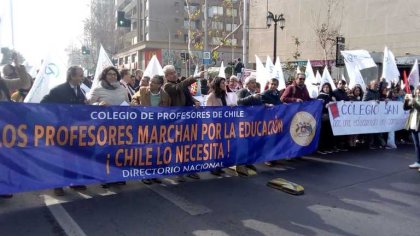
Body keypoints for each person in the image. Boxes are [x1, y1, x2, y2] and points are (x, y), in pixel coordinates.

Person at [41, 66, 88, 196]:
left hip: (76, 130)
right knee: (60, 158)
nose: (82, 77)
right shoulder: (58, 90)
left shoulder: (81, 90)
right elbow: (44, 103)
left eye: (82, 75)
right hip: (61, 129)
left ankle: (73, 182)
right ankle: (58, 185)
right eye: (80, 75)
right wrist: (57, 115)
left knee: (74, 157)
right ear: (72, 76)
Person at [88, 66, 129, 188]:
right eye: (110, 74)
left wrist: (129, 105)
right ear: (104, 76)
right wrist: (98, 104)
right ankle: (104, 176)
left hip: (120, 125)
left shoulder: (122, 89)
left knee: (118, 151)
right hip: (103, 126)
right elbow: (88, 105)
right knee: (104, 152)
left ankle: (118, 175)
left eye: (114, 74)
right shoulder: (97, 89)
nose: (113, 76)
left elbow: (127, 103)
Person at [0, 53, 31, 198]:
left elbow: (24, 82)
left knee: (5, 157)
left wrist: (19, 67)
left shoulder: (3, 83)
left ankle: (4, 187)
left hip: (4, 127)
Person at [162, 65, 202, 181]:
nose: (174, 74)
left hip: (190, 119)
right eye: (171, 73)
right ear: (166, 76)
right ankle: (178, 171)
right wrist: (194, 77)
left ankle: (190, 169)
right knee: (178, 147)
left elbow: (188, 95)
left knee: (190, 146)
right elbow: (178, 88)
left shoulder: (181, 83)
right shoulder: (168, 86)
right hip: (178, 122)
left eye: (175, 72)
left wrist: (195, 101)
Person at [131, 75, 170, 184]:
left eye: (153, 82)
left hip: (158, 128)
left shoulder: (165, 96)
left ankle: (154, 174)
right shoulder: (143, 90)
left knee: (157, 151)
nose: (150, 84)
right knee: (145, 151)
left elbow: (168, 112)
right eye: (150, 81)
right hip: (144, 126)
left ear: (159, 85)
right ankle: (144, 174)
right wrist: (136, 105)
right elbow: (133, 99)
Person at [316, 82, 336, 154]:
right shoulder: (320, 96)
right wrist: (325, 105)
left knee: (328, 132)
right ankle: (321, 148)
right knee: (322, 133)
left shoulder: (331, 96)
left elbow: (335, 108)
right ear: (322, 88)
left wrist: (334, 101)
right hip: (323, 116)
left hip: (330, 116)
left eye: (327, 87)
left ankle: (327, 147)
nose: (326, 88)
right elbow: (317, 107)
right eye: (325, 87)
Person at [404, 86, 420, 171]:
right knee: (416, 145)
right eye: (417, 92)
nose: (417, 93)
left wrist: (413, 100)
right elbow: (406, 108)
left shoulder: (416, 100)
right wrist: (406, 100)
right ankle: (418, 162)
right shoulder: (415, 99)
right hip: (413, 125)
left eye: (419, 92)